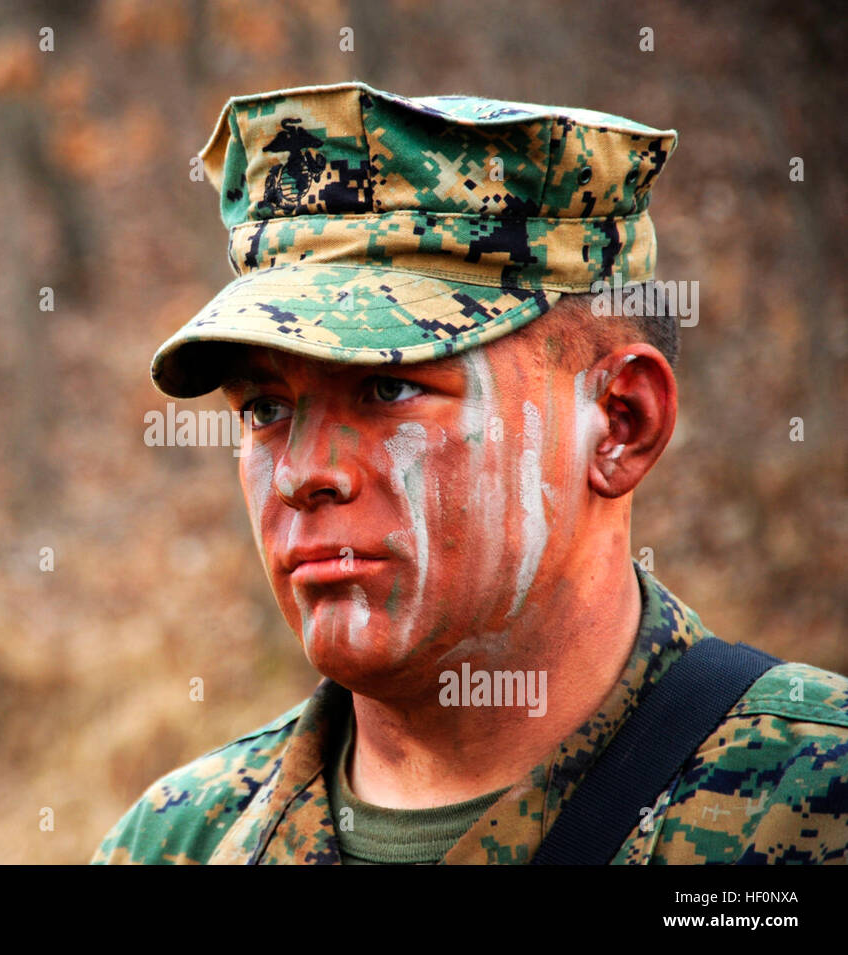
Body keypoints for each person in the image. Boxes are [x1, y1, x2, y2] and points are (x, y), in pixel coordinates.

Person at [92, 82, 848, 865]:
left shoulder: (811, 807)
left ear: (621, 422)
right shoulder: (179, 839)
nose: (302, 474)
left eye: (391, 387)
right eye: (265, 409)